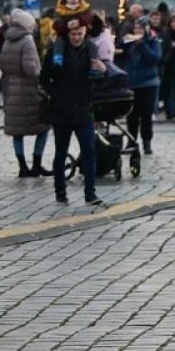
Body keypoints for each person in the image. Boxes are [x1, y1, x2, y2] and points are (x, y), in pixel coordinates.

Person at [42, 15, 105, 207]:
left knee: (88, 150)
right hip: (62, 109)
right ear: (67, 34)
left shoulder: (91, 51)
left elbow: (100, 80)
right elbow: (43, 78)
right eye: (73, 34)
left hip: (83, 108)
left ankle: (90, 193)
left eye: (79, 33)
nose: (76, 37)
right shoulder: (56, 51)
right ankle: (60, 191)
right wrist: (55, 94)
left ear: (85, 33)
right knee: (60, 152)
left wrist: (102, 71)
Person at [0, 10, 49, 178]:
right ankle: (36, 164)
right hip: (29, 92)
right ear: (27, 25)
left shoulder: (7, 41)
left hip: (11, 92)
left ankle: (22, 167)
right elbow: (32, 69)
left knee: (17, 131)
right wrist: (43, 84)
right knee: (44, 127)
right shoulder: (27, 40)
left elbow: (3, 67)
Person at [121, 16, 162, 155]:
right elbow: (119, 49)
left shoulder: (152, 41)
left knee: (145, 115)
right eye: (136, 28)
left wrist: (142, 45)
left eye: (140, 28)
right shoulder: (129, 42)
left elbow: (154, 58)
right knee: (131, 115)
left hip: (148, 83)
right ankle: (131, 141)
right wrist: (125, 41)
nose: (137, 31)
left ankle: (147, 142)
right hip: (131, 83)